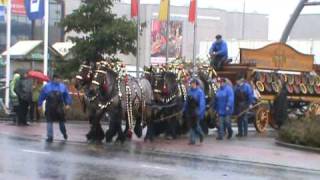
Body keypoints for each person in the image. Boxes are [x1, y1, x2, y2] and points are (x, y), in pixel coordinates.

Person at [38, 74, 72, 142]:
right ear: (53, 79)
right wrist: (39, 104)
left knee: (62, 123)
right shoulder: (47, 87)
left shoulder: (62, 87)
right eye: (57, 79)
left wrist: (68, 104)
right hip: (49, 107)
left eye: (59, 79)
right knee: (49, 122)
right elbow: (42, 96)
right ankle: (50, 136)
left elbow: (66, 96)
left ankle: (64, 133)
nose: (58, 80)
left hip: (59, 107)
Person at [183, 78, 205, 145]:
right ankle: (192, 140)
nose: (191, 85)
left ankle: (201, 135)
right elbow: (186, 102)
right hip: (189, 111)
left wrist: (200, 112)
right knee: (190, 126)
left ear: (196, 84)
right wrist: (184, 109)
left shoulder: (200, 92)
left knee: (195, 126)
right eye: (191, 83)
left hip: (196, 111)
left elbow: (202, 103)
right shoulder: (189, 91)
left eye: (192, 83)